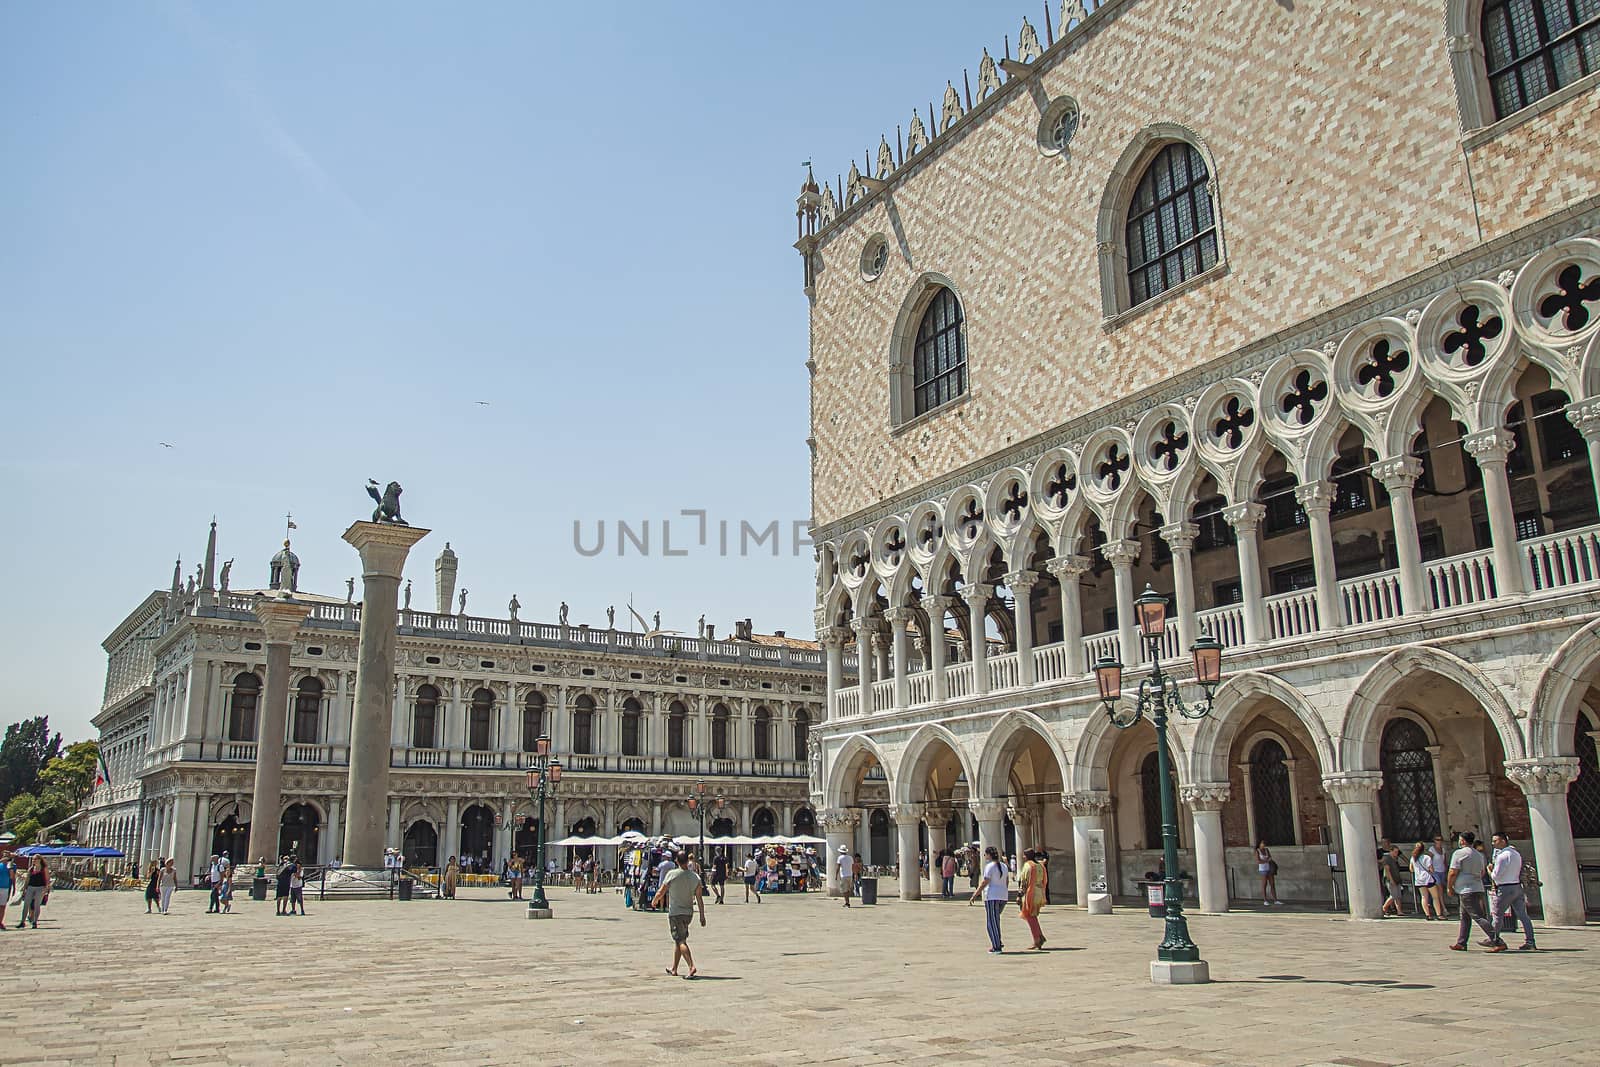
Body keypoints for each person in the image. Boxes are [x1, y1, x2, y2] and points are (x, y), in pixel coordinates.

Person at [651, 851, 706, 979]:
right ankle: (674, 968)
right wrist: (702, 916)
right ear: (687, 861)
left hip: (676, 913)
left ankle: (691, 966)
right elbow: (699, 899)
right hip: (688, 913)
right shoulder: (695, 877)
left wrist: (655, 900)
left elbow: (662, 890)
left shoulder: (672, 874)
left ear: (676, 861)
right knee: (680, 939)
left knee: (680, 940)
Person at [1448, 832, 1500, 951]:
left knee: (1478, 916)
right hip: (1477, 887)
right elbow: (1482, 872)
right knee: (1465, 916)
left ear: (1463, 841)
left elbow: (1452, 872)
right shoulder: (1478, 854)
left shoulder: (1459, 853)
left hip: (1466, 890)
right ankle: (1461, 942)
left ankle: (1497, 940)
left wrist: (1449, 887)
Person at [1488, 833, 1537, 951]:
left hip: (1505, 888)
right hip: (1516, 886)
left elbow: (1496, 875)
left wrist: (1489, 870)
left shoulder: (1502, 856)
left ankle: (1494, 940)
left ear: (1503, 841)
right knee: (1523, 915)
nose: (1493, 843)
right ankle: (1530, 941)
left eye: (1495, 841)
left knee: (1497, 915)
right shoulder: (1516, 854)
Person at [972, 846, 1010, 953]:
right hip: (1003, 896)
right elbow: (1007, 881)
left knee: (991, 923)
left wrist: (976, 894)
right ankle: (997, 941)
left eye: (985, 854)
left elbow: (985, 882)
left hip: (992, 896)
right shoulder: (1004, 866)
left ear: (989, 855)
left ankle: (996, 946)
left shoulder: (989, 867)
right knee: (996, 920)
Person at [1017, 848, 1047, 950]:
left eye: (1024, 855)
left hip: (1031, 893)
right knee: (1032, 915)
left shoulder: (1028, 866)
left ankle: (1037, 939)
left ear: (1027, 856)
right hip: (1039, 892)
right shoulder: (1040, 865)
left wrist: (1019, 895)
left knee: (1030, 916)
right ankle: (1039, 936)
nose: (1023, 857)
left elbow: (1023, 882)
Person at [1410, 842, 1439, 920]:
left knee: (1424, 897)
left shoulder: (1413, 858)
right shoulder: (1426, 857)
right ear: (1423, 849)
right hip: (1427, 878)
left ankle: (1427, 915)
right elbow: (1431, 869)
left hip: (1419, 880)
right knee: (1435, 897)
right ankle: (1439, 914)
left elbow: (1411, 869)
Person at [1380, 844, 1405, 916]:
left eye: (1397, 852)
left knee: (1398, 895)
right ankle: (1384, 907)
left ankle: (1399, 911)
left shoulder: (1395, 858)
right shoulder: (1387, 858)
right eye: (1395, 852)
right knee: (1393, 895)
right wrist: (1391, 880)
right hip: (1390, 879)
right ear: (1391, 851)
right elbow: (1387, 870)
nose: (1396, 853)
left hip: (1397, 878)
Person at [1429, 835, 1451, 915]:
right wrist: (1431, 871)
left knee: (1440, 890)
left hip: (1442, 871)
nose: (1439, 841)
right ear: (1434, 840)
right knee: (1440, 889)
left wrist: (1446, 870)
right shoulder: (1432, 849)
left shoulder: (1443, 849)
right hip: (1435, 872)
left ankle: (1435, 906)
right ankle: (1443, 908)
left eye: (1441, 839)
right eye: (1437, 839)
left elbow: (1444, 861)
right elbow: (1429, 861)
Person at [0, 852, 12, 930]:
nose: (5, 858)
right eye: (4, 856)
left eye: (7, 856)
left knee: (2, 906)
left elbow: (12, 877)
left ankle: (0, 922)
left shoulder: (11, 866)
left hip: (5, 888)